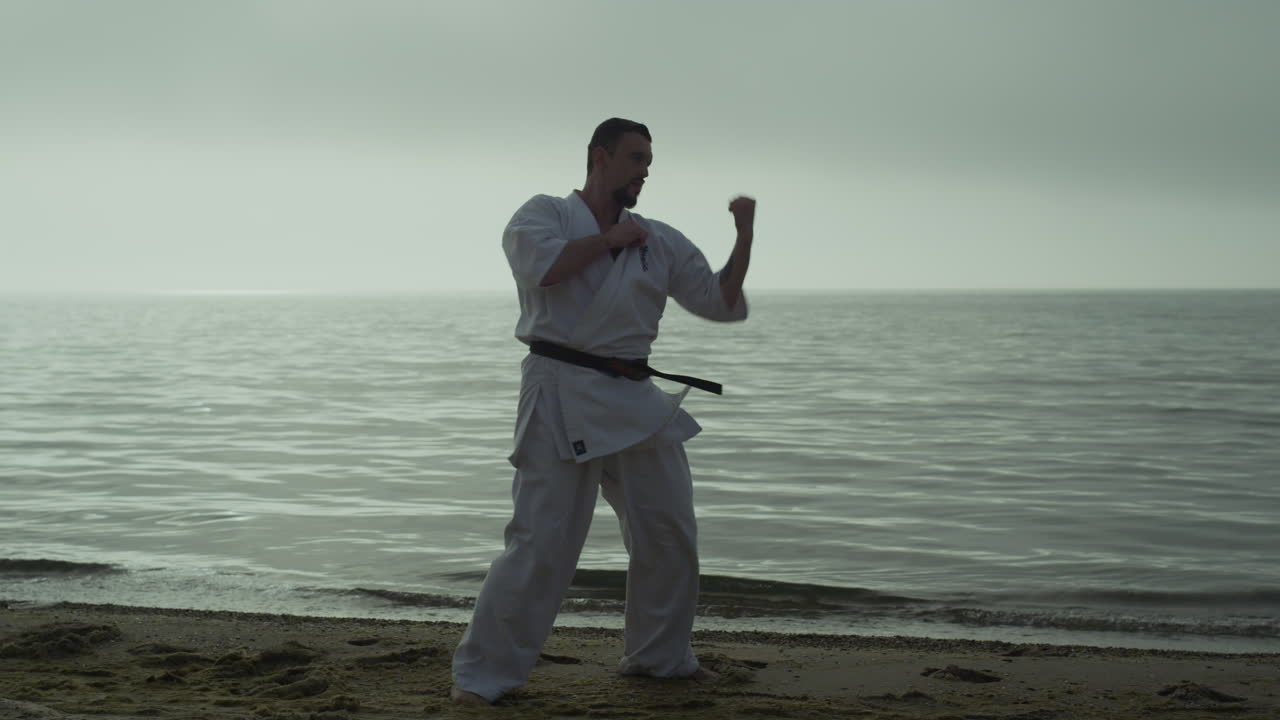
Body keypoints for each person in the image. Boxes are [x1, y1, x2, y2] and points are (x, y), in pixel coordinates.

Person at [450, 117, 755, 705]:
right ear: (600, 156)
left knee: (669, 529)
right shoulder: (540, 216)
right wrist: (608, 242)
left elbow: (719, 300)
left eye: (649, 161)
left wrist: (744, 233)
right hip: (558, 388)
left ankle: (660, 658)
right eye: (636, 157)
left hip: (633, 396)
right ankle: (484, 678)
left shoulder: (657, 238)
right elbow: (544, 269)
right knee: (541, 540)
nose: (644, 170)